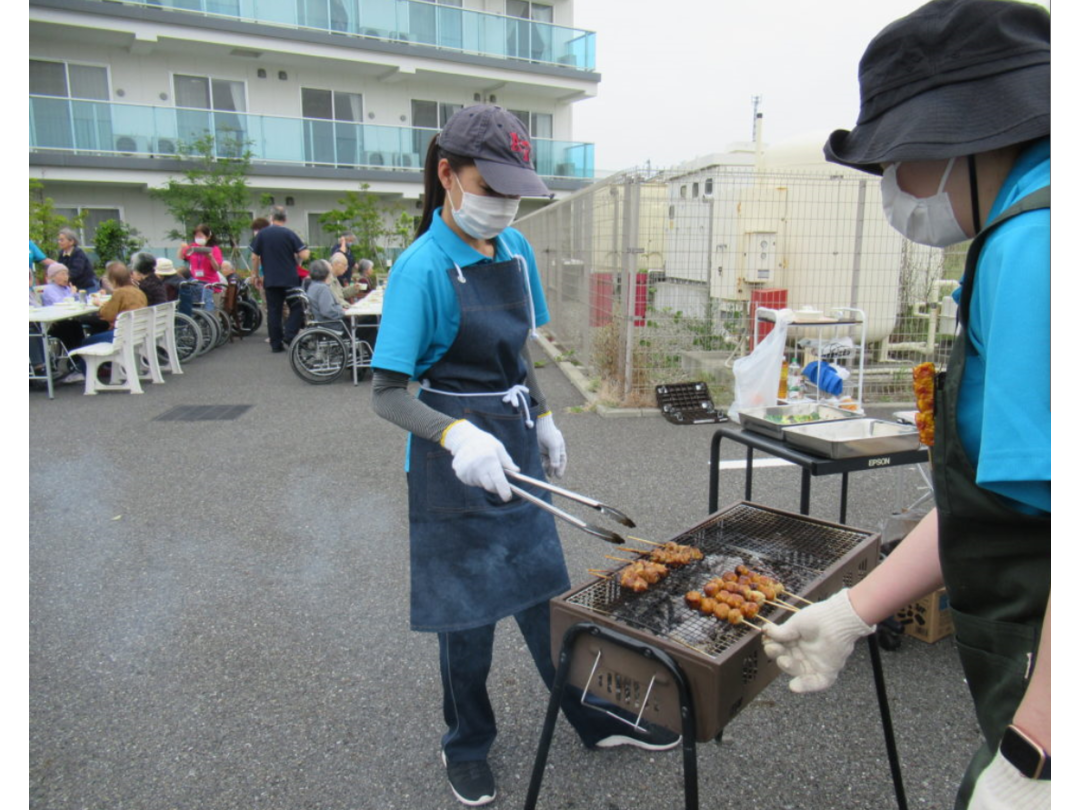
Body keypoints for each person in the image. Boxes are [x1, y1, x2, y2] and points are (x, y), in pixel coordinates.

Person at [761, 3, 1050, 810]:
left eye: (896, 161)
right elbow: (994, 498)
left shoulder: (1036, 246)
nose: (894, 189)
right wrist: (856, 610)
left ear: (954, 139)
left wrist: (1037, 751)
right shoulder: (1031, 216)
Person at [369, 105, 679, 808]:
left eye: (514, 192)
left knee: (546, 598)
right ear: (447, 175)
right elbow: (387, 393)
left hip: (512, 441)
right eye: (491, 187)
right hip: (451, 458)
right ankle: (467, 745)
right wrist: (454, 434)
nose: (503, 206)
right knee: (466, 617)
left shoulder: (514, 248)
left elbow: (518, 352)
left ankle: (595, 719)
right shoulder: (421, 268)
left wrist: (541, 417)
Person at [67, 261, 148, 380]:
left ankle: (85, 374)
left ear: (113, 279)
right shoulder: (138, 291)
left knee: (86, 342)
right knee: (97, 329)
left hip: (123, 335)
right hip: (136, 332)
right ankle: (103, 367)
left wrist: (100, 304)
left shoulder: (120, 292)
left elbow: (108, 315)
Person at [251, 206, 309, 353]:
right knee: (297, 307)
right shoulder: (289, 234)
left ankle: (276, 344)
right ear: (286, 219)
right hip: (289, 278)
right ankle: (289, 334)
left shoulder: (262, 234)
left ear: (271, 218)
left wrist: (255, 275)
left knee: (274, 311)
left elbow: (254, 256)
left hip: (271, 279)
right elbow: (304, 255)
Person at [178, 224, 224, 311]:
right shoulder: (193, 247)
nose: (197, 238)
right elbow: (181, 257)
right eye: (196, 235)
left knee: (212, 312)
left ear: (208, 237)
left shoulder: (214, 249)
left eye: (200, 236)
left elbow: (217, 268)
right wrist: (181, 248)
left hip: (211, 285)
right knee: (197, 311)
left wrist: (210, 257)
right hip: (197, 286)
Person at [55, 227, 99, 293]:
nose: (59, 242)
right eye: (59, 240)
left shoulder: (78, 253)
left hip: (87, 285)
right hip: (75, 286)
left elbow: (76, 271)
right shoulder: (61, 253)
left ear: (71, 241)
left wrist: (64, 278)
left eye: (62, 240)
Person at [304, 259, 345, 328]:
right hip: (331, 324)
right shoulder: (322, 289)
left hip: (321, 322)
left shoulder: (312, 286)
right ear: (326, 272)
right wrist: (342, 312)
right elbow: (327, 311)